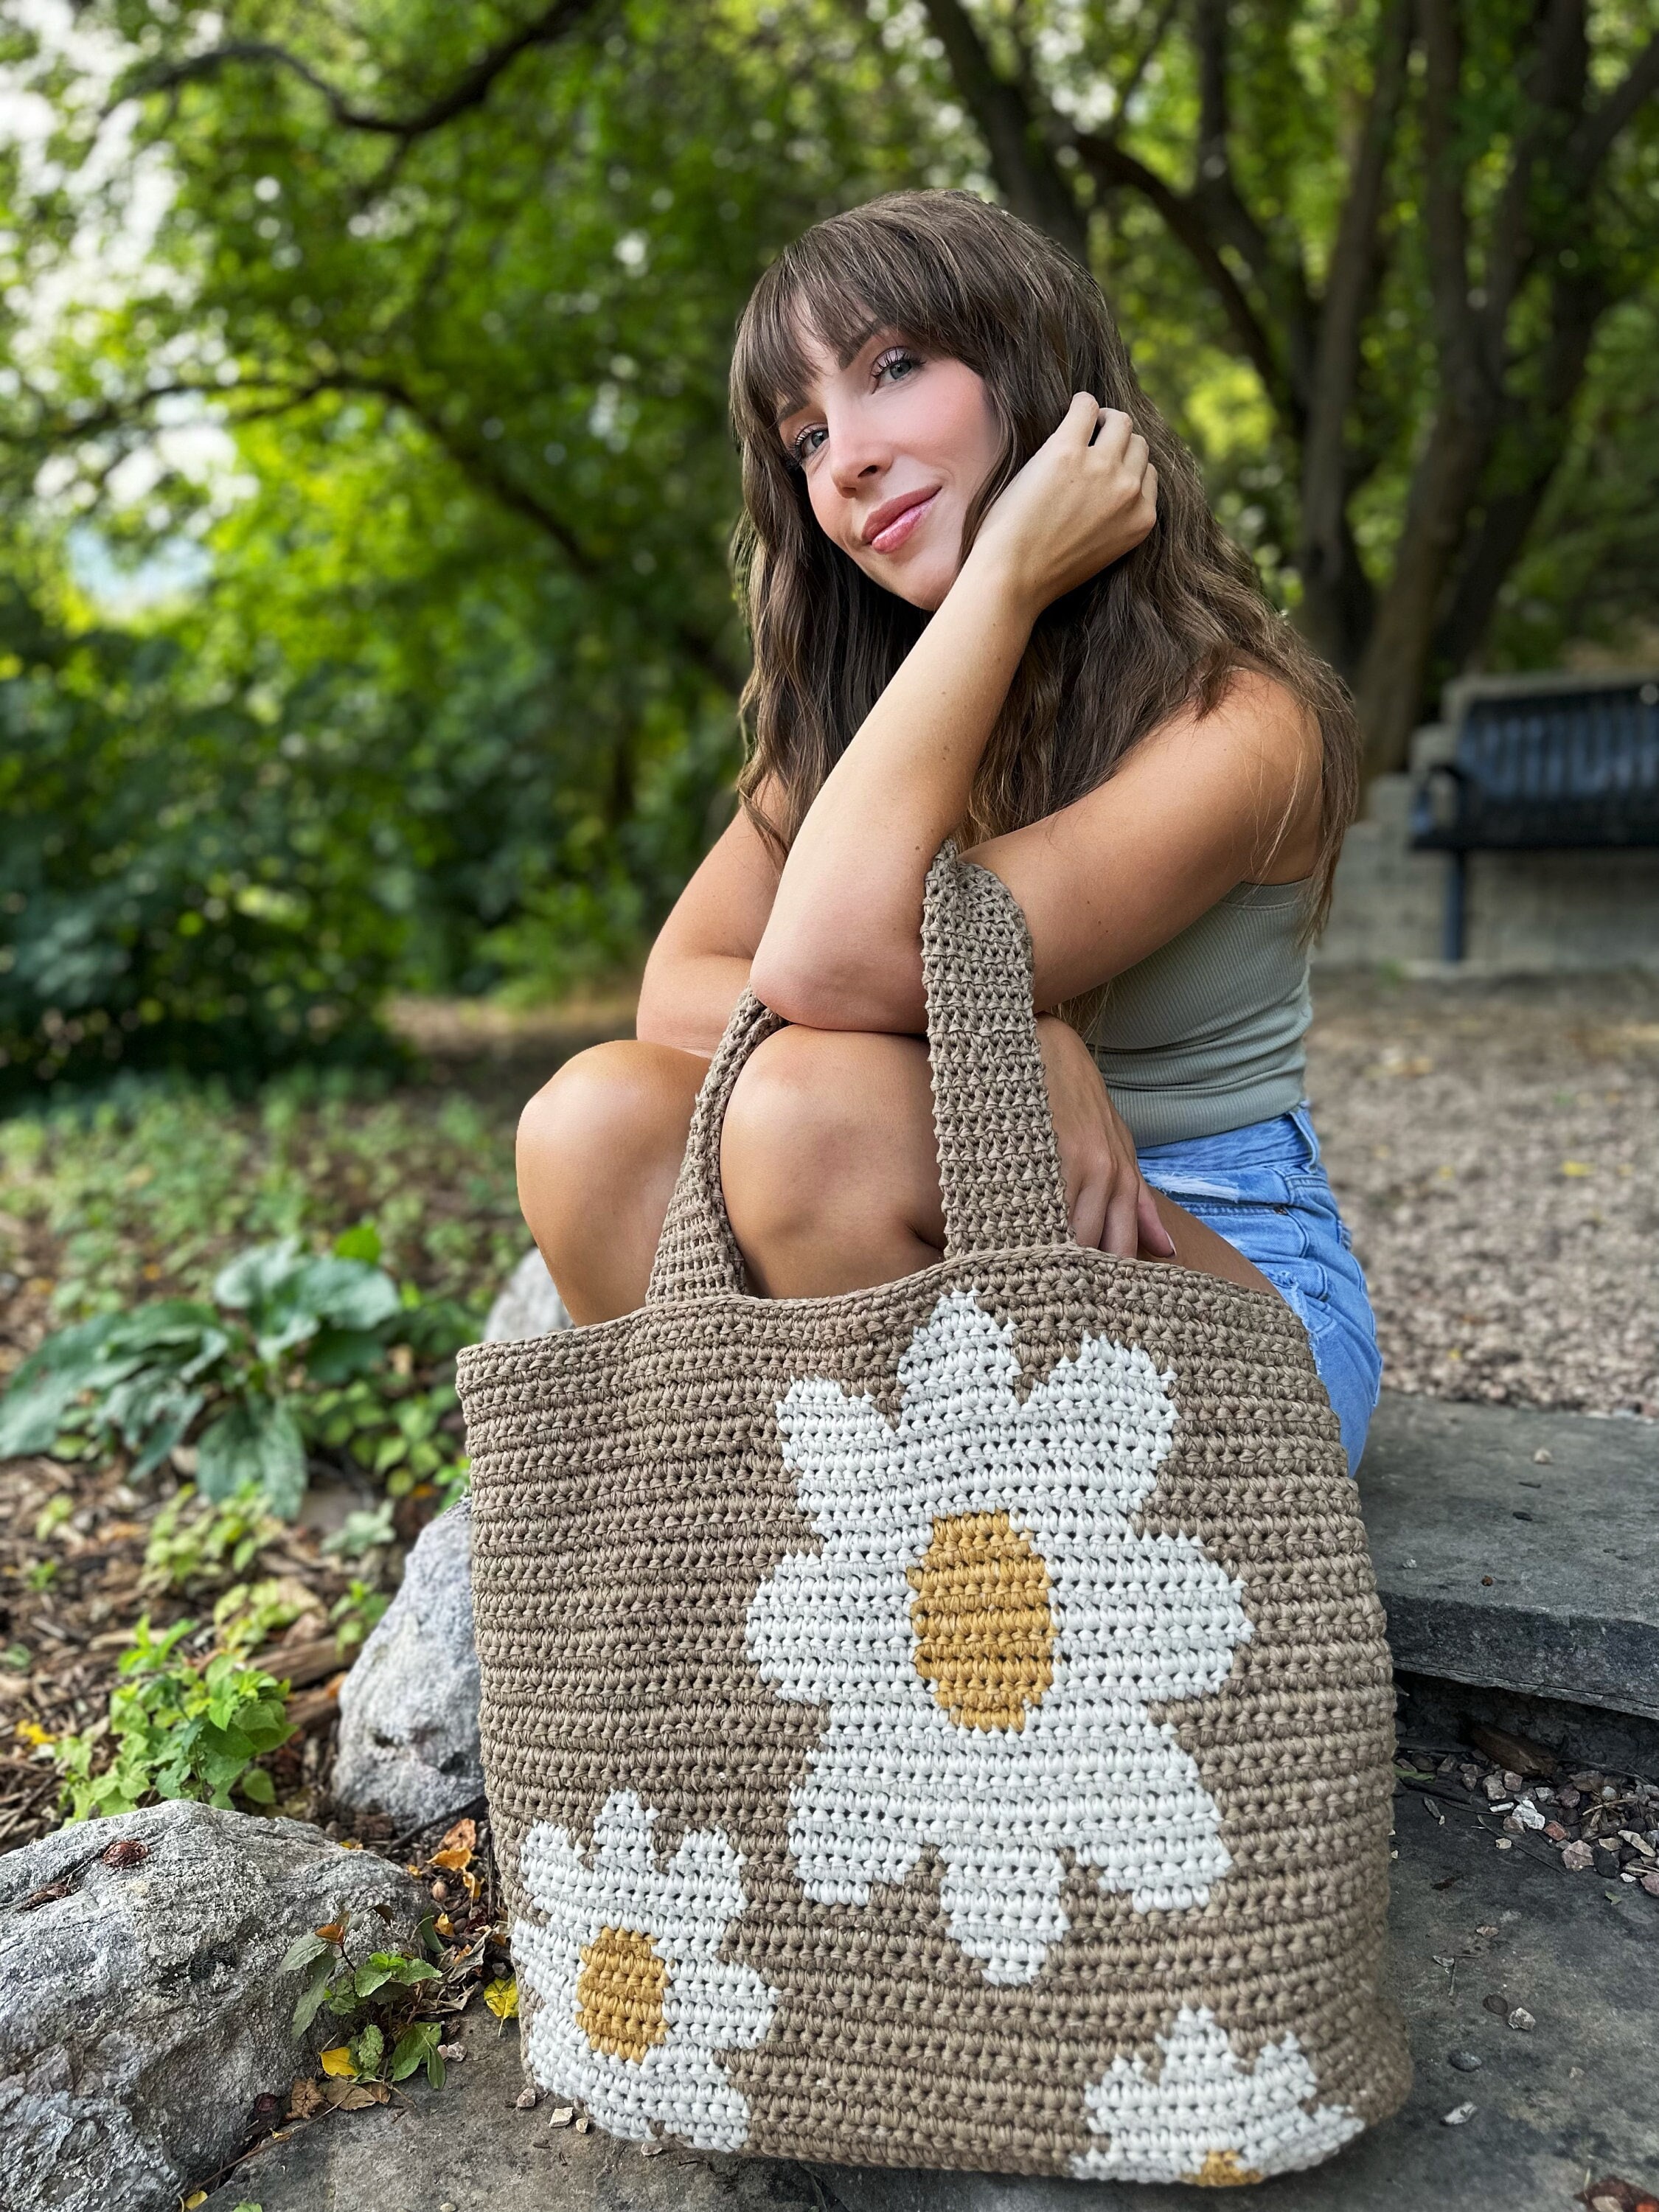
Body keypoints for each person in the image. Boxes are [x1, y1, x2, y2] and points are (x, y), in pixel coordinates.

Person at [518, 190, 1382, 1474]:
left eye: (894, 368)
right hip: (951, 1233)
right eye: (804, 437)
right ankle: (779, 1577)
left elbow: (817, 971)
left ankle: (911, 1614)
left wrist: (1005, 577)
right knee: (590, 1122)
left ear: (1033, 369)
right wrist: (1011, 1034)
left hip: (1225, 1279)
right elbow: (677, 993)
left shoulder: (1240, 724)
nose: (846, 459)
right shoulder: (870, 730)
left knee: (813, 1111)